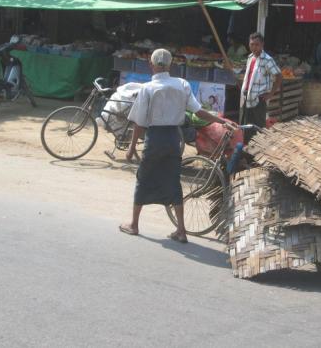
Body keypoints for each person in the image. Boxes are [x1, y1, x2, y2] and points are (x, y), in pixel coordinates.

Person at [119, 48, 236, 243]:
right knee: (173, 180)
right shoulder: (181, 84)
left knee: (144, 178)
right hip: (175, 138)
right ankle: (181, 230)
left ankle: (134, 224)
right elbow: (199, 112)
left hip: (155, 138)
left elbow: (139, 122)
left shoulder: (147, 88)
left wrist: (131, 148)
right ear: (171, 64)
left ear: (151, 65)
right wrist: (222, 121)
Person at [240, 32, 282, 141]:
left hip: (259, 99)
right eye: (251, 44)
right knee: (247, 127)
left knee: (258, 127)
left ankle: (257, 153)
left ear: (262, 45)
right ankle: (247, 152)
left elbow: (279, 76)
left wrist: (271, 93)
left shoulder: (267, 60)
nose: (254, 47)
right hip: (247, 97)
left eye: (256, 44)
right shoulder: (250, 58)